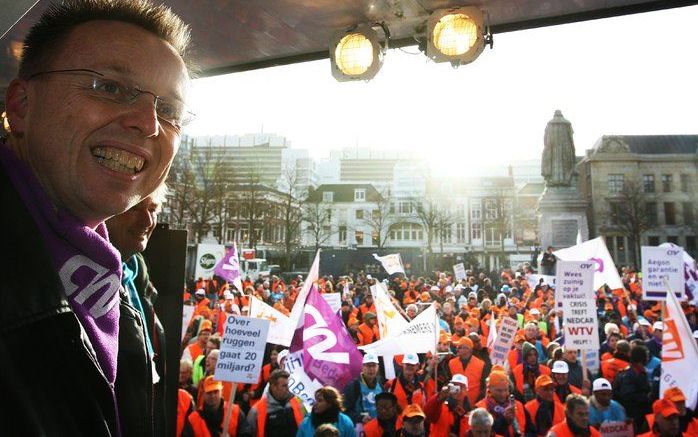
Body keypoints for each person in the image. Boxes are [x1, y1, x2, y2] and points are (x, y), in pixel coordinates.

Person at [0, 0, 192, 434]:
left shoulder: (113, 284)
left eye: (170, 112)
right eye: (110, 88)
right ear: (21, 106)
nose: (149, 124)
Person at [182, 376, 248, 437]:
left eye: (216, 392)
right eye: (209, 392)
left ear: (221, 392)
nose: (212, 396)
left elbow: (247, 434)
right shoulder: (193, 419)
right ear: (204, 394)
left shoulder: (236, 412)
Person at [247, 370, 305, 437]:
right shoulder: (256, 410)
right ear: (273, 387)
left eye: (287, 385)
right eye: (284, 386)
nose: (287, 388)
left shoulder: (295, 402)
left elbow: (303, 427)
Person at [475, 371, 525, 437]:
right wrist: (505, 419)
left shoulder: (519, 405)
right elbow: (486, 433)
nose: (503, 394)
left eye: (505, 390)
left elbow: (531, 431)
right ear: (489, 388)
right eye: (499, 390)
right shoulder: (480, 408)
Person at [343, 353, 385, 425]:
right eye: (368, 365)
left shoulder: (380, 383)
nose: (371, 369)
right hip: (359, 428)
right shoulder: (353, 385)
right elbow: (345, 410)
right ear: (363, 367)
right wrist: (360, 418)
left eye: (374, 365)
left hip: (377, 427)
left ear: (378, 367)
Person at [448, 337, 487, 405]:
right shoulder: (451, 363)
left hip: (474, 403)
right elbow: (449, 382)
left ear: (468, 349)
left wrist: (478, 402)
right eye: (457, 347)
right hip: (456, 404)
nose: (457, 349)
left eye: (460, 347)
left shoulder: (481, 364)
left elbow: (483, 387)